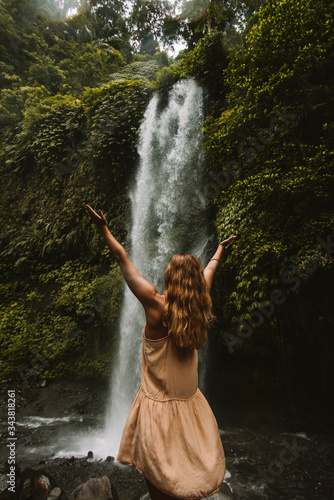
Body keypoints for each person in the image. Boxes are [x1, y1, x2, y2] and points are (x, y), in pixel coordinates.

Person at [85, 204, 237, 500]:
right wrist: (219, 250)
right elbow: (210, 269)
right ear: (194, 283)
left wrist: (103, 228)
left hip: (157, 411)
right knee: (189, 471)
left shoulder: (156, 306)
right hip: (192, 408)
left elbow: (122, 258)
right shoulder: (199, 304)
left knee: (158, 481)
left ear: (171, 277)